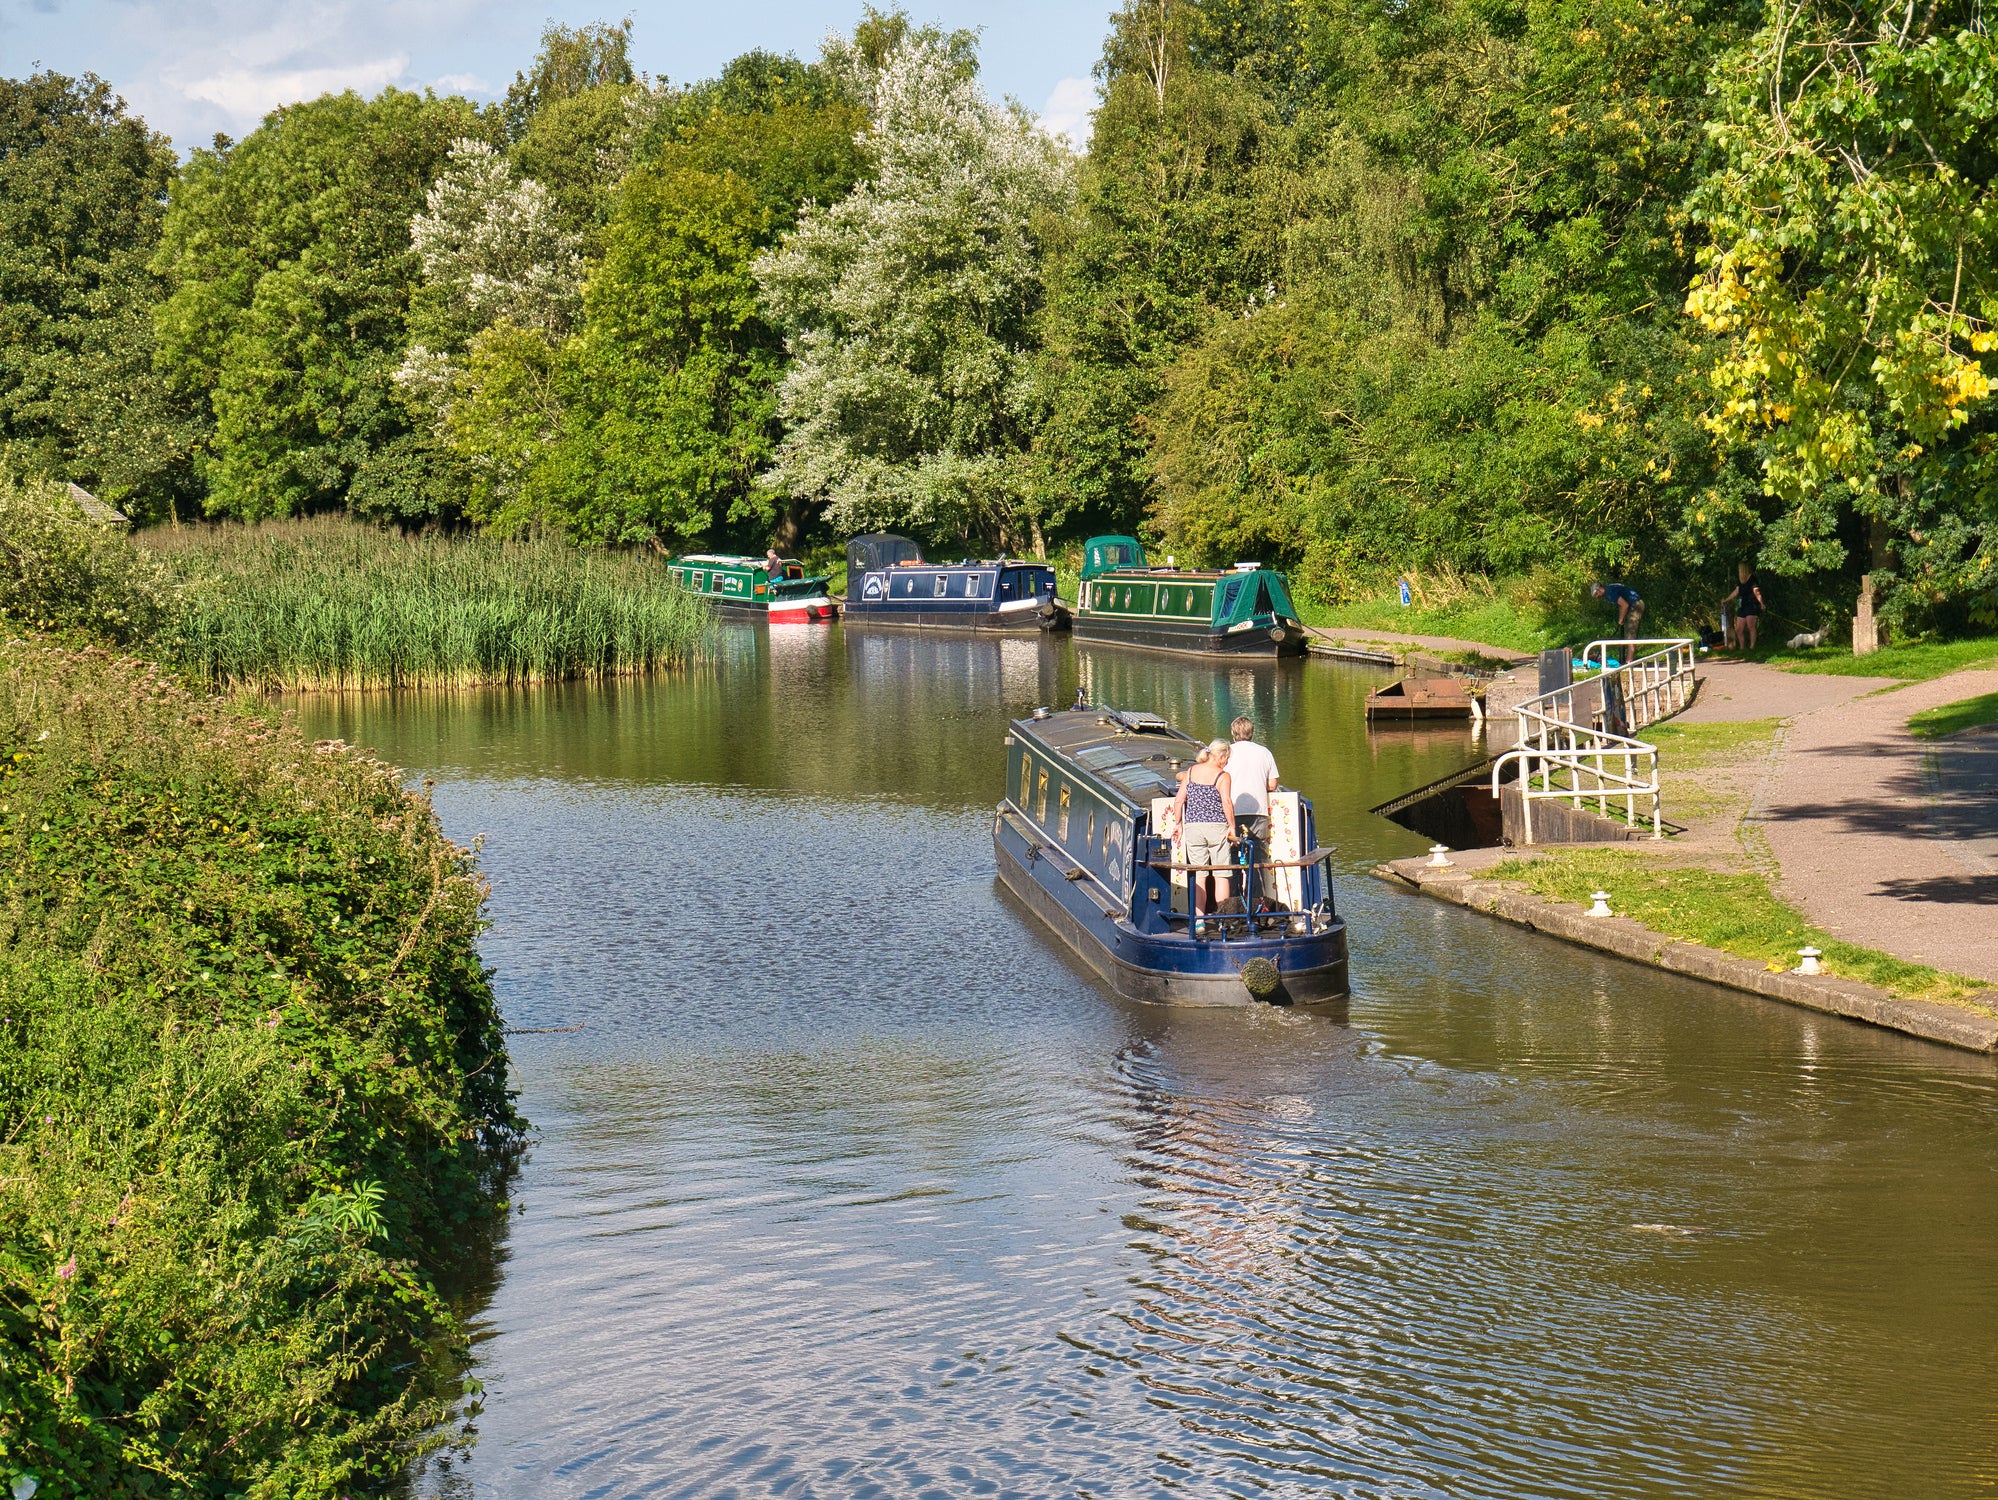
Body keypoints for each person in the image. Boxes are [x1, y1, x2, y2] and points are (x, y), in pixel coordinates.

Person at [1170, 740, 1236, 936]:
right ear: (1221, 756)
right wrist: (1232, 826)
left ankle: (1199, 921)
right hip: (1217, 828)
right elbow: (1226, 801)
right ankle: (1222, 921)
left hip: (1193, 828)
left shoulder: (1190, 772)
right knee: (1221, 875)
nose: (1227, 762)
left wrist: (1178, 824)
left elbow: (1179, 799)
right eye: (1227, 758)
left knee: (1199, 875)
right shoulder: (1223, 776)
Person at [1223, 716, 1280, 900]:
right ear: (1252, 732)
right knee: (1257, 857)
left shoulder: (1226, 753)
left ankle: (1233, 900)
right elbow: (1272, 784)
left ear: (1233, 734)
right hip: (1258, 812)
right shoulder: (1264, 752)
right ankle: (1256, 902)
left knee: (1232, 856)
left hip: (1232, 812)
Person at [1720, 562, 1765, 651]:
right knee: (1739, 629)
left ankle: (1752, 647)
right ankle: (1742, 647)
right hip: (1743, 606)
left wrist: (1761, 603)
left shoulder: (1752, 578)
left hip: (1751, 605)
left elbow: (1756, 592)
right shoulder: (1740, 580)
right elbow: (1736, 592)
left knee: (1750, 626)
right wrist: (1726, 600)